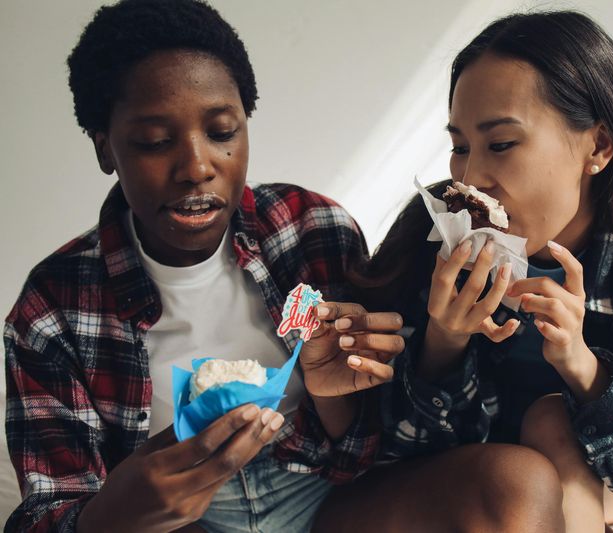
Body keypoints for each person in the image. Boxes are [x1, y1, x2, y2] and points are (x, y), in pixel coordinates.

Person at [317, 11, 613, 533]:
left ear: (597, 147)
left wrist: (585, 372)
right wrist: (443, 346)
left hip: (594, 481)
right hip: (459, 490)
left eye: (502, 144)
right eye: (460, 147)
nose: (470, 178)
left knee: (553, 422)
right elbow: (388, 450)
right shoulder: (433, 235)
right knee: (526, 468)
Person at [3, 1, 404, 532]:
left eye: (221, 132)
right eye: (154, 142)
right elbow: (48, 514)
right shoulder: (53, 307)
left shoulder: (312, 229)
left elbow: (373, 452)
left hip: (327, 494)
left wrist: (332, 401)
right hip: (186, 522)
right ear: (106, 149)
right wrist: (108, 515)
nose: (196, 167)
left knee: (509, 481)